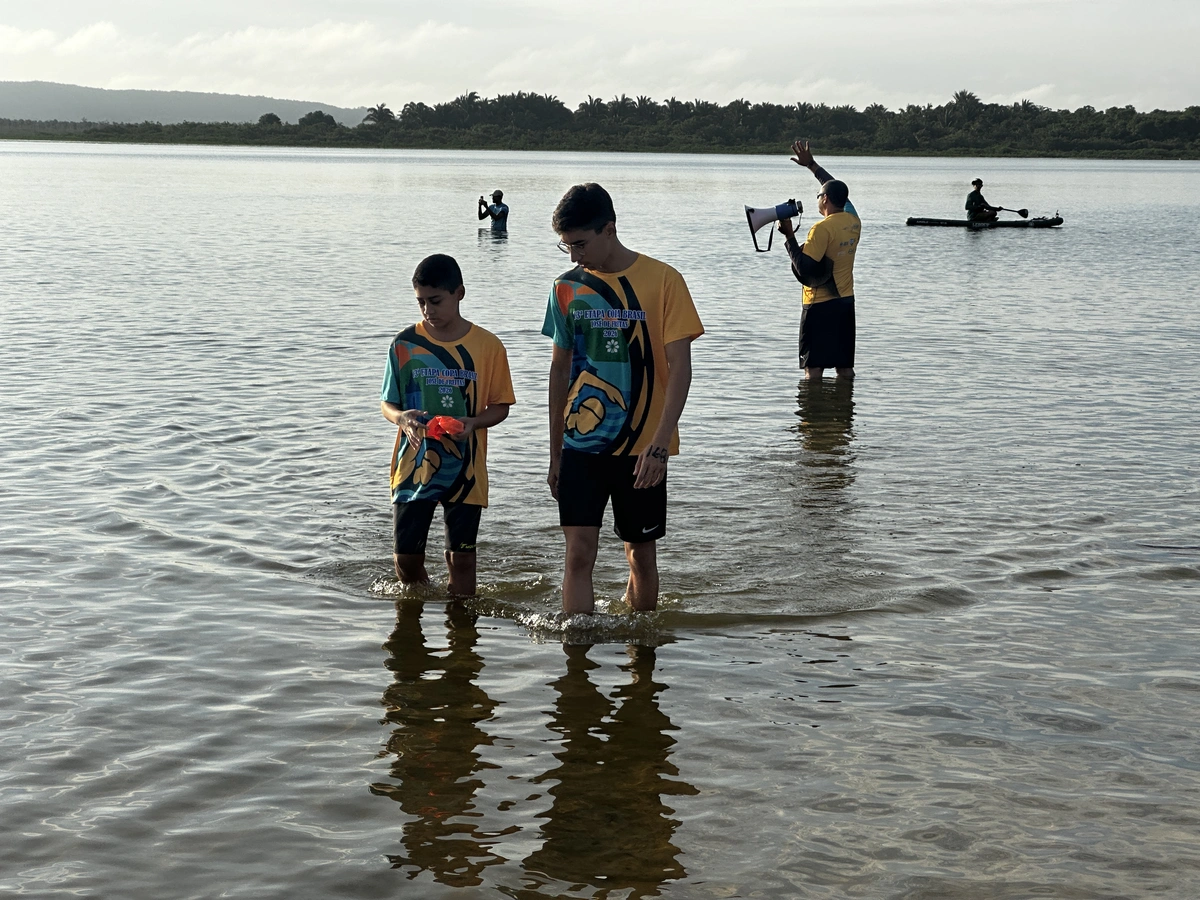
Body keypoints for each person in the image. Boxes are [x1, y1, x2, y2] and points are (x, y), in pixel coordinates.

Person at [542, 183, 704, 615]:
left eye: (580, 243)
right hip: (581, 444)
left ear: (609, 229)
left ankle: (641, 655)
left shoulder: (663, 280)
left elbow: (680, 370)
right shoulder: (566, 287)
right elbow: (560, 370)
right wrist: (555, 451)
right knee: (578, 555)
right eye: (566, 246)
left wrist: (659, 446)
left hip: (643, 449)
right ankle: (577, 662)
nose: (574, 255)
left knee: (641, 555)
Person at [380, 253, 515, 596]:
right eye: (421, 302)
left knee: (462, 560)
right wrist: (402, 418)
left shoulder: (487, 346)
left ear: (460, 293)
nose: (428, 311)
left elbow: (500, 406)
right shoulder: (404, 345)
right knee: (406, 560)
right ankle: (419, 617)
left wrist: (473, 422)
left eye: (435, 301)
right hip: (413, 466)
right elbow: (388, 404)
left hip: (465, 468)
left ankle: (461, 630)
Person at [779, 139, 861, 378]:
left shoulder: (821, 229)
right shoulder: (854, 220)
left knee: (813, 368)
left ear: (825, 199)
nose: (817, 198)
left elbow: (805, 269)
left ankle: (813, 413)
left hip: (818, 304)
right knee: (844, 368)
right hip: (846, 302)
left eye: (818, 195)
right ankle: (845, 411)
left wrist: (790, 237)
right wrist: (812, 165)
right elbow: (833, 187)